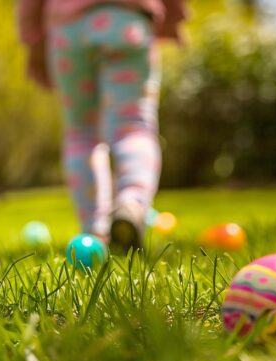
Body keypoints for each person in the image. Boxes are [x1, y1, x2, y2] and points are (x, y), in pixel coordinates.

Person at [17, 0, 186, 250]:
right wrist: (172, 17)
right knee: (133, 126)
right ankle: (132, 204)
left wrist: (33, 39)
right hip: (127, 22)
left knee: (81, 133)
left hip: (68, 32)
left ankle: (95, 231)